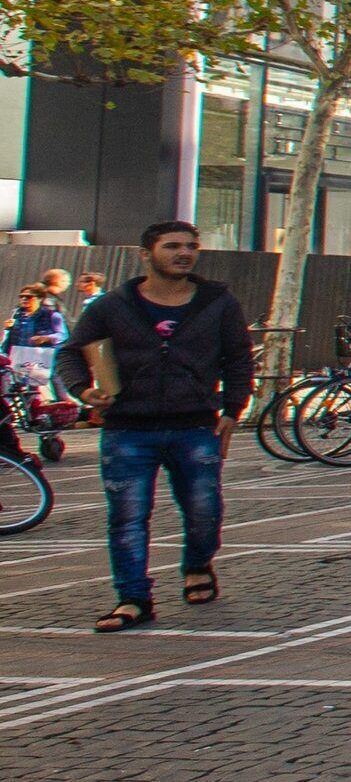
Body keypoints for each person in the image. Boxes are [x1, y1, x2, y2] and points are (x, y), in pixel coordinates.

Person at [69, 221, 254, 632]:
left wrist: (232, 411)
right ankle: (133, 598)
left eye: (191, 246)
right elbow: (71, 352)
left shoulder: (218, 302)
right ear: (146, 254)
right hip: (127, 429)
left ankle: (197, 564)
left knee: (204, 510)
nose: (184, 253)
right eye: (172, 246)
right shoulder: (112, 306)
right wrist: (83, 391)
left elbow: (239, 359)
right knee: (127, 517)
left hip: (195, 426)